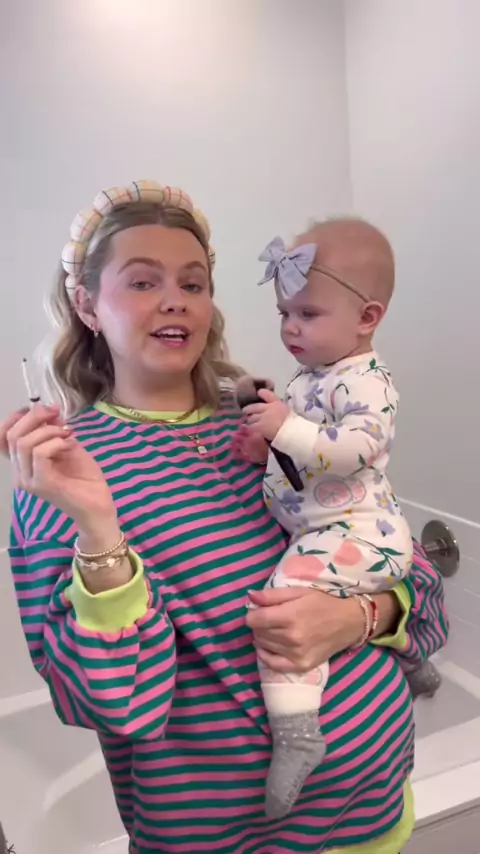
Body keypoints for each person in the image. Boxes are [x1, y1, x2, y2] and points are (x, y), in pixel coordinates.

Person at [1, 180, 448, 854]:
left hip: (378, 810)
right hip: (230, 839)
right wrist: (99, 531)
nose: (175, 299)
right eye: (143, 282)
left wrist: (361, 616)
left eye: (193, 282)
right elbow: (111, 701)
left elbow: (419, 586)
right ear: (87, 305)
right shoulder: (65, 470)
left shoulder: (274, 420)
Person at [233, 220, 420, 819]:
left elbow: (356, 449)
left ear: (367, 317)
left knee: (285, 601)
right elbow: (307, 460)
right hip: (330, 528)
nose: (290, 327)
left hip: (358, 532)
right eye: (284, 313)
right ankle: (414, 662)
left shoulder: (369, 381)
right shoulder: (315, 375)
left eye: (307, 314)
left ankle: (297, 733)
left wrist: (286, 428)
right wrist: (269, 446)